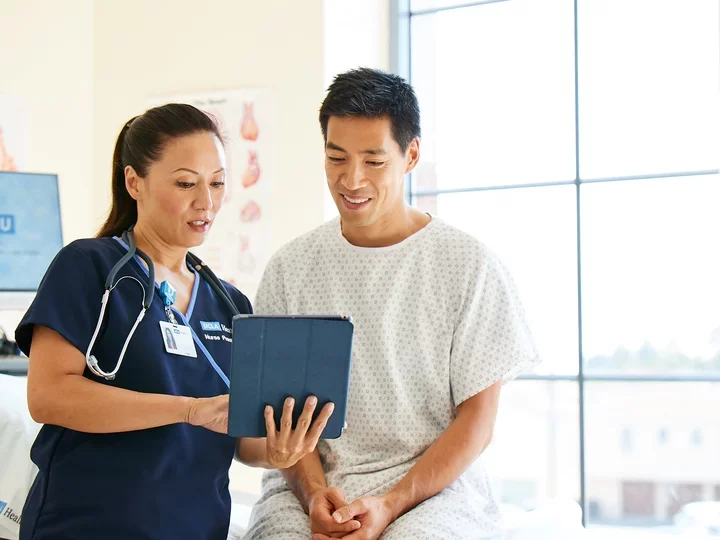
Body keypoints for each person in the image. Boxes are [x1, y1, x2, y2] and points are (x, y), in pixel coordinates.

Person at [243, 68, 540, 540]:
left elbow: (477, 425)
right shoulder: (290, 268)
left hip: (432, 491)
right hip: (311, 488)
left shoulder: (468, 265)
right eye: (336, 158)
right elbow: (283, 414)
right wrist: (315, 495)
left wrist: (391, 503)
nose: (351, 179)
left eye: (373, 161)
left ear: (411, 155)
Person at [14, 103, 333, 540]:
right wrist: (187, 410)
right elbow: (48, 396)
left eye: (218, 184)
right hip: (86, 525)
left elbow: (240, 437)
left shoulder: (229, 304)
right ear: (134, 182)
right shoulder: (89, 268)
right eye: (186, 183)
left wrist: (279, 451)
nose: (206, 202)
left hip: (196, 528)